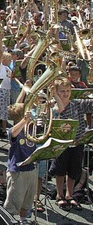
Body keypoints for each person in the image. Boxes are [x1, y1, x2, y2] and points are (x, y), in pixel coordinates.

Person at [52, 77, 92, 211]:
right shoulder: (54, 104)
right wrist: (55, 96)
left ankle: (70, 194)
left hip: (77, 142)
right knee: (60, 170)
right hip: (61, 143)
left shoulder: (77, 103)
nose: (66, 94)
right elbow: (61, 109)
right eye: (62, 91)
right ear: (56, 92)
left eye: (68, 91)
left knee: (74, 170)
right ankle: (60, 195)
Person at [3, 103, 38, 223]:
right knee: (14, 201)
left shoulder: (31, 128)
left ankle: (24, 220)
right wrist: (25, 120)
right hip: (18, 171)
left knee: (27, 201)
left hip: (31, 168)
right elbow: (12, 133)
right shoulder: (16, 130)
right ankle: (9, 221)